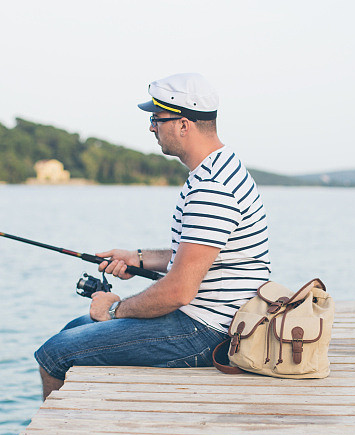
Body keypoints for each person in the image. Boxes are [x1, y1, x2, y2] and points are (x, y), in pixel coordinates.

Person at [34, 73, 270, 399]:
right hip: (218, 319)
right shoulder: (222, 168)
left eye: (157, 118)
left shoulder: (211, 188)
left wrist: (115, 310)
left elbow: (179, 290)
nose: (151, 127)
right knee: (75, 331)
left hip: (207, 331)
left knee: (55, 354)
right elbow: (203, 255)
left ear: (184, 124)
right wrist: (137, 258)